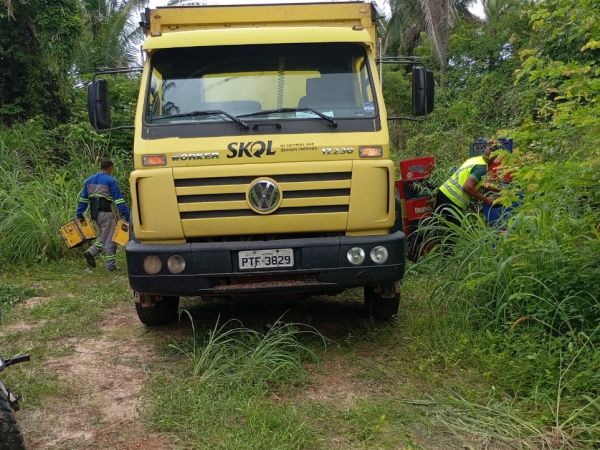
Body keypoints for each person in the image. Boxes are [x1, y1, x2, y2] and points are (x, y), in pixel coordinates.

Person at [75, 160, 130, 271]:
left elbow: (83, 199)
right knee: (111, 238)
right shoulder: (110, 180)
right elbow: (118, 200)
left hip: (94, 214)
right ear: (110, 168)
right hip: (105, 213)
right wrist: (127, 214)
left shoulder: (89, 180)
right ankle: (110, 265)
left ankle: (92, 252)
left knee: (104, 235)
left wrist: (79, 213)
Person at [435, 143, 501, 228]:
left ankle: (421, 240)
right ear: (494, 158)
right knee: (455, 233)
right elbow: (467, 187)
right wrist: (486, 200)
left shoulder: (476, 160)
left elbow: (481, 184)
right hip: (452, 200)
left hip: (443, 192)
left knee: (435, 224)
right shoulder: (482, 168)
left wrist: (499, 191)